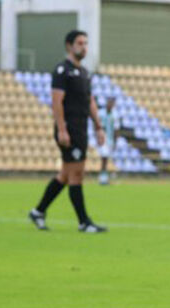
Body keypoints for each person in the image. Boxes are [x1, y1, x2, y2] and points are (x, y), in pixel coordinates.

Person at [28, 30, 107, 234]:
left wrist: (98, 126)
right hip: (69, 130)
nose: (84, 47)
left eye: (86, 43)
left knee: (65, 174)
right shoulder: (62, 70)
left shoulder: (84, 73)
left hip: (81, 129)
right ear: (69, 46)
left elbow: (90, 101)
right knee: (76, 174)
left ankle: (38, 211)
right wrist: (62, 129)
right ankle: (83, 222)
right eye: (80, 43)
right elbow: (57, 102)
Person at [98, 97, 119, 185]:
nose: (111, 105)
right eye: (110, 103)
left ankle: (104, 178)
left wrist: (115, 142)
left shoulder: (115, 114)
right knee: (104, 158)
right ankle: (103, 179)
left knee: (106, 159)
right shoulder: (101, 113)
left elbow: (116, 129)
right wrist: (99, 138)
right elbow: (98, 126)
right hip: (103, 139)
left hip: (110, 141)